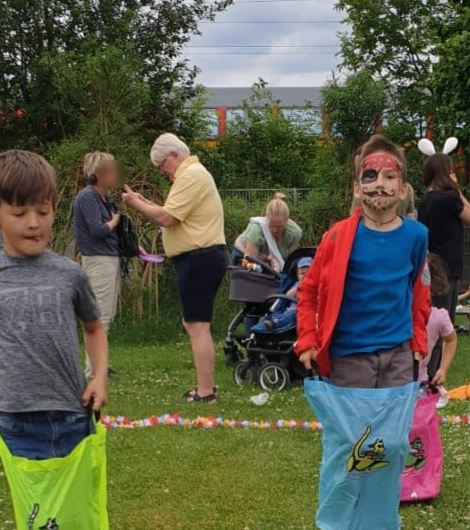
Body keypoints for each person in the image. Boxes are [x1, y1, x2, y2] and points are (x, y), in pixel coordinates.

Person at [0, 150, 108, 459]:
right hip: (14, 418)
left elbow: (93, 327)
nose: (33, 224)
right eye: (19, 213)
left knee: (78, 492)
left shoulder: (71, 274)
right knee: (30, 493)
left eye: (42, 211)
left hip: (73, 411)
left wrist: (99, 378)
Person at [295, 135, 430, 387]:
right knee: (354, 416)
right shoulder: (336, 237)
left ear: (403, 189)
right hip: (349, 356)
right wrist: (307, 338)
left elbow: (419, 291)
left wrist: (418, 338)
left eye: (389, 176)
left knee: (394, 416)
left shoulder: (417, 236)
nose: (379, 183)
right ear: (357, 188)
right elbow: (308, 290)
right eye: (370, 176)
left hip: (399, 356)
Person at [122, 133, 227, 403]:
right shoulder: (192, 174)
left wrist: (135, 204)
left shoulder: (191, 176)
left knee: (197, 325)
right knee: (193, 323)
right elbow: (173, 212)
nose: (163, 172)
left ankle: (206, 392)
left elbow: (167, 218)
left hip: (199, 258)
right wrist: (144, 201)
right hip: (200, 258)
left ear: (174, 155)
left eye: (162, 166)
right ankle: (206, 387)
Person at [72, 152, 123, 373]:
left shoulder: (104, 198)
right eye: (111, 170)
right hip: (98, 259)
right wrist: (115, 221)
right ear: (99, 174)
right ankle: (92, 368)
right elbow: (98, 230)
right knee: (100, 315)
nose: (115, 174)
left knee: (108, 313)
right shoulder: (88, 197)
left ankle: (99, 363)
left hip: (110, 258)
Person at [417, 153, 470, 319]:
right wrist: (457, 190)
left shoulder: (425, 201)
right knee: (446, 320)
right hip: (450, 265)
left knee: (434, 316)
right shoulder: (450, 198)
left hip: (432, 266)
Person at [233, 193, 302, 270]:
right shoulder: (256, 231)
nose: (275, 230)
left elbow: (291, 261)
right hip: (244, 254)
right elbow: (250, 264)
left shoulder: (294, 233)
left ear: (286, 221)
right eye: (271, 226)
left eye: (279, 227)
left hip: (272, 261)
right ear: (267, 219)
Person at [421, 254, 457, 387]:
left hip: (419, 384)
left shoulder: (438, 317)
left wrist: (443, 369)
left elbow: (451, 339)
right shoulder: (398, 315)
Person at [251, 255, 312, 334]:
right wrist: (296, 289)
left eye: (308, 273)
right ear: (297, 275)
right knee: (281, 314)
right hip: (291, 310)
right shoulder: (297, 284)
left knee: (291, 314)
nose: (305, 276)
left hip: (303, 312)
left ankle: (274, 324)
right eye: (302, 273)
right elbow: (288, 295)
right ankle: (263, 326)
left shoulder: (314, 285)